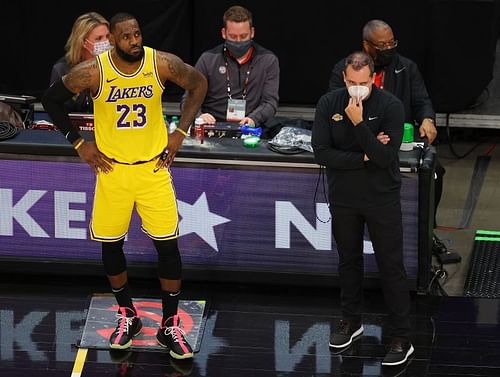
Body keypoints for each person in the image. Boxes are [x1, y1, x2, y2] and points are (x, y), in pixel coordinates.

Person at [42, 12, 207, 359]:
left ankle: (170, 324)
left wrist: (179, 133)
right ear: (113, 40)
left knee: (168, 247)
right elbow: (51, 101)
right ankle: (127, 315)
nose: (134, 40)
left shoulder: (159, 63)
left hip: (152, 170)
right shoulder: (94, 71)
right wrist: (78, 143)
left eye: (137, 34)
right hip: (113, 172)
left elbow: (198, 83)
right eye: (127, 36)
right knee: (111, 245)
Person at [312, 51, 414, 366]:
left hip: (381, 198)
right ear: (344, 79)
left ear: (373, 79)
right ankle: (351, 321)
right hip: (343, 198)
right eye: (353, 82)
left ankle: (401, 337)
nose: (358, 88)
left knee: (390, 266)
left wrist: (358, 126)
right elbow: (321, 152)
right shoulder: (328, 104)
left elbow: (385, 159)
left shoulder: (391, 107)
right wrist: (365, 154)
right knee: (349, 261)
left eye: (364, 82)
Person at [328, 19, 452, 260]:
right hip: (357, 141)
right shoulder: (345, 70)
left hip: (396, 139)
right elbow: (332, 104)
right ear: (367, 46)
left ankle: (427, 231)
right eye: (381, 45)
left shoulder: (406, 67)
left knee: (435, 173)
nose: (388, 49)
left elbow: (421, 101)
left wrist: (427, 119)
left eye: (391, 43)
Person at [186, 5, 279, 134]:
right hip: (212, 127)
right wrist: (200, 116)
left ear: (252, 33)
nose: (238, 41)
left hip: (249, 128)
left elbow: (270, 102)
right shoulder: (208, 59)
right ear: (224, 33)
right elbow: (188, 97)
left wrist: (254, 119)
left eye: (243, 36)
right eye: (233, 37)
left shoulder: (268, 60)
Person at [49, 12, 111, 112]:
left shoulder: (117, 65)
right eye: (98, 38)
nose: (106, 42)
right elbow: (55, 106)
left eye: (107, 36)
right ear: (83, 42)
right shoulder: (62, 69)